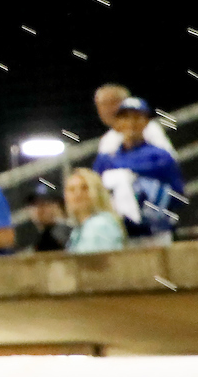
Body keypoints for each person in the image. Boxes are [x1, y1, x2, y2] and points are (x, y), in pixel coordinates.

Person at [89, 95, 186, 241]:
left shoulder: (161, 157)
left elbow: (179, 195)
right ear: (117, 124)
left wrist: (153, 197)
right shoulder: (106, 160)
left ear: (146, 122)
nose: (131, 123)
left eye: (137, 117)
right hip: (119, 235)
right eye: (125, 117)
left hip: (155, 234)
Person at [94, 83, 174, 158]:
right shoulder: (106, 141)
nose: (106, 110)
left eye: (111, 103)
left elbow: (168, 159)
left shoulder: (147, 128)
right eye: (102, 105)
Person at [64, 166, 127, 254]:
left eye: (84, 188)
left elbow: (92, 265)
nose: (78, 194)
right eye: (71, 189)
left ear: (97, 192)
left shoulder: (101, 225)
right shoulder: (78, 231)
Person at [12, 181, 69, 254]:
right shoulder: (30, 236)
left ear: (57, 206)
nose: (39, 210)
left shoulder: (63, 234)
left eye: (44, 204)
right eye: (34, 205)